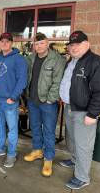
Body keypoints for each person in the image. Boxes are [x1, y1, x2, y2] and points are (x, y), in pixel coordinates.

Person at [59, 30, 100, 190]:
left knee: (84, 145)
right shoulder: (71, 61)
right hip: (70, 107)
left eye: (77, 44)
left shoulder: (97, 63)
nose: (73, 47)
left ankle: (82, 177)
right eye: (71, 45)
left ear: (87, 44)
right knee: (73, 140)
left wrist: (93, 113)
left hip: (84, 112)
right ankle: (75, 160)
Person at [24, 32, 66, 177]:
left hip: (47, 103)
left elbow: (58, 82)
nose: (39, 46)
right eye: (36, 44)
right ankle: (37, 150)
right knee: (35, 127)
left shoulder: (57, 59)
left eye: (41, 43)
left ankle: (48, 158)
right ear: (34, 46)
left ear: (47, 43)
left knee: (48, 131)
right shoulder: (31, 58)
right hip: (33, 100)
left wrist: (50, 99)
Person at [0, 32, 28, 168]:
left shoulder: (19, 59)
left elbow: (22, 80)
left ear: (11, 43)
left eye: (7, 41)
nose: (4, 43)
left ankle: (11, 154)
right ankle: (0, 148)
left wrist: (13, 97)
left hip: (10, 101)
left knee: (12, 129)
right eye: (2, 41)